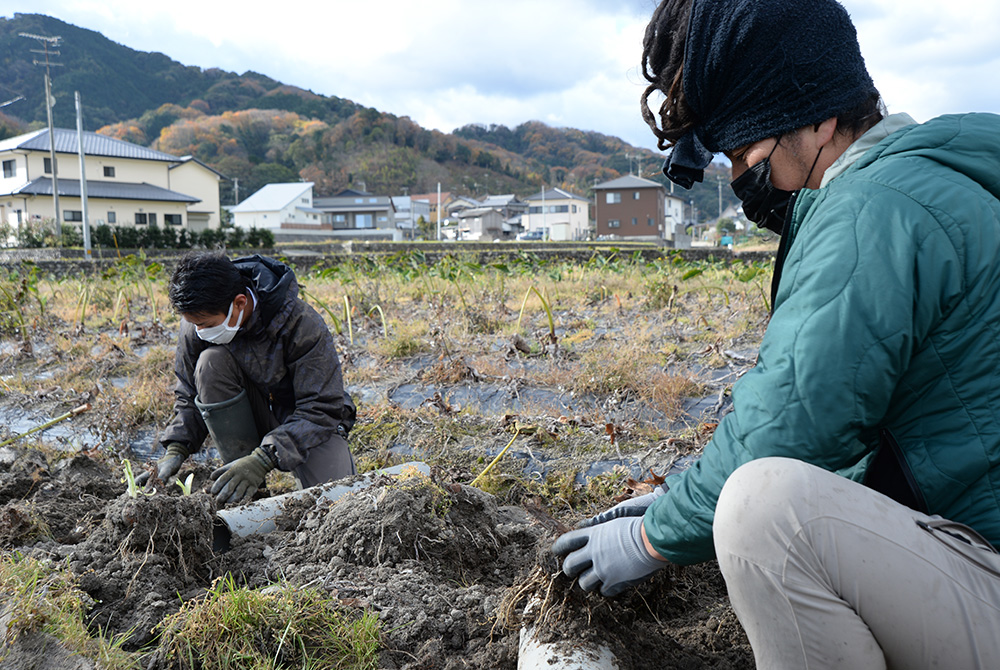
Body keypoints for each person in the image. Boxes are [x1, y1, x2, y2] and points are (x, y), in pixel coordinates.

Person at [553, 0, 1000, 667]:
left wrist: (654, 538)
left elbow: (791, 428)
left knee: (763, 512)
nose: (739, 179)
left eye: (743, 151)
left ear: (818, 118)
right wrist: (683, 498)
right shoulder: (938, 178)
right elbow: (855, 433)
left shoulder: (871, 211)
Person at [136, 252, 356, 505]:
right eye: (194, 324)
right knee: (209, 363)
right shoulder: (199, 322)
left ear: (239, 303)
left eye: (206, 324)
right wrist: (176, 450)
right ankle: (248, 491)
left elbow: (320, 408)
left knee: (336, 501)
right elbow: (187, 392)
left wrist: (263, 459)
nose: (200, 331)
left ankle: (256, 468)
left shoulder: (301, 324)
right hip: (248, 412)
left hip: (305, 421)